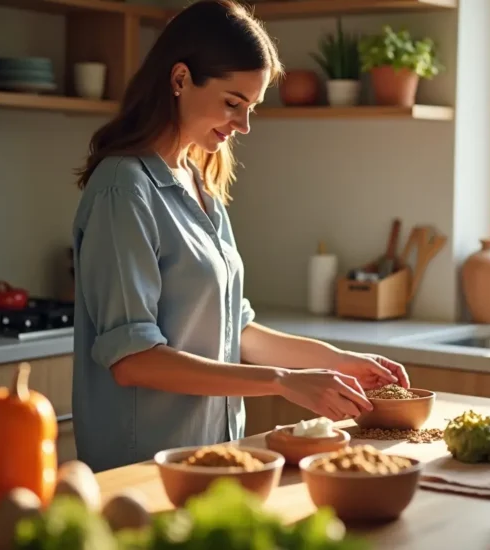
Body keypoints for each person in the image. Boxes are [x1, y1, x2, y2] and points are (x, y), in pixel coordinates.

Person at [70, 0, 409, 473]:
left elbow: (238, 332)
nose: (243, 125)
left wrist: (340, 362)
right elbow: (134, 360)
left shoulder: (200, 186)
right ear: (180, 79)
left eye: (251, 108)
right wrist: (284, 381)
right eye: (233, 103)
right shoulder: (123, 189)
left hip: (214, 460)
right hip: (140, 468)